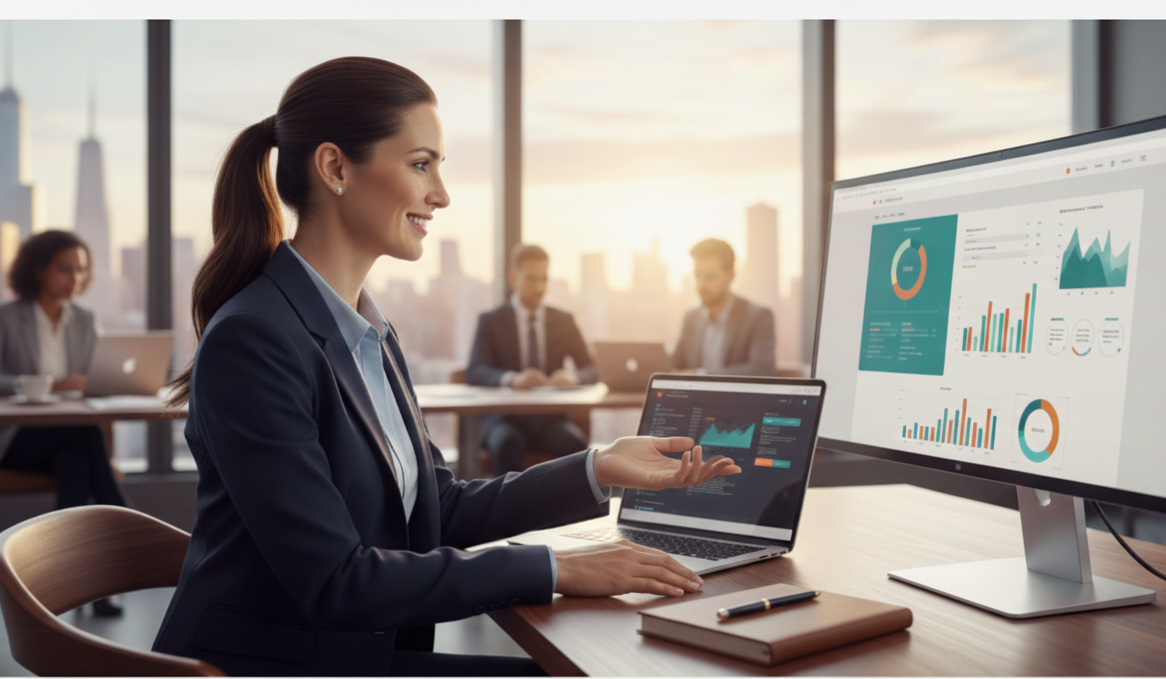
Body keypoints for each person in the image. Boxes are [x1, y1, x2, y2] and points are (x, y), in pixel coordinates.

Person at [151, 57, 741, 677]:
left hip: (362, 652)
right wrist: (555, 569)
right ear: (334, 169)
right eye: (420, 164)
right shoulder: (255, 340)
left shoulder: (368, 330)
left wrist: (597, 468)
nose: (441, 194)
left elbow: (438, 508)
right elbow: (334, 581)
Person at [0, 229, 128, 617]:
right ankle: (123, 524)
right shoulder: (5, 316)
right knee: (84, 436)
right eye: (65, 270)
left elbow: (96, 377)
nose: (75, 279)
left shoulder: (84, 320)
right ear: (39, 271)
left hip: (66, 441)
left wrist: (103, 383)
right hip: (13, 443)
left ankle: (75, 582)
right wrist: (45, 385)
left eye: (81, 271)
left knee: (75, 460)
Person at [466, 244, 597, 475]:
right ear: (513, 278)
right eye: (532, 279)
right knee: (507, 443)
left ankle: (568, 511)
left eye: (544, 279)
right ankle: (510, 511)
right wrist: (512, 379)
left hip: (550, 419)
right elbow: (476, 370)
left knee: (575, 445)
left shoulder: (564, 320)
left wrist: (572, 377)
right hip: (504, 419)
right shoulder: (491, 321)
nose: (539, 287)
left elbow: (592, 368)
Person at [671, 238, 778, 376]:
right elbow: (675, 366)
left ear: (731, 275)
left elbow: (762, 369)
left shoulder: (759, 317)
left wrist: (701, 376)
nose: (701, 286)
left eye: (710, 277)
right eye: (697, 277)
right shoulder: (691, 317)